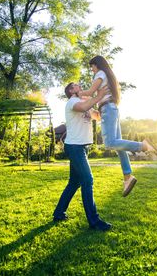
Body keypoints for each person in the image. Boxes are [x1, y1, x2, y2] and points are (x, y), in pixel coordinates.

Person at [78, 55, 157, 197]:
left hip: (108, 110)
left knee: (109, 143)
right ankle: (127, 177)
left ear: (97, 65)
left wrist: (78, 93)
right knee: (119, 147)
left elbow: (90, 92)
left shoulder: (100, 73)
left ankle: (144, 146)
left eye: (92, 67)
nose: (92, 70)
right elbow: (93, 96)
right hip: (111, 109)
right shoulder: (108, 75)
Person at [53, 82, 112, 231]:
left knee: (74, 183)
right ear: (71, 91)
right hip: (74, 147)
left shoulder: (85, 103)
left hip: (82, 146)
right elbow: (84, 108)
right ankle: (94, 221)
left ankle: (59, 213)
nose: (81, 87)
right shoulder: (72, 102)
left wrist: (106, 103)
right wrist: (98, 95)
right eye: (77, 86)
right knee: (87, 180)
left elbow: (97, 116)